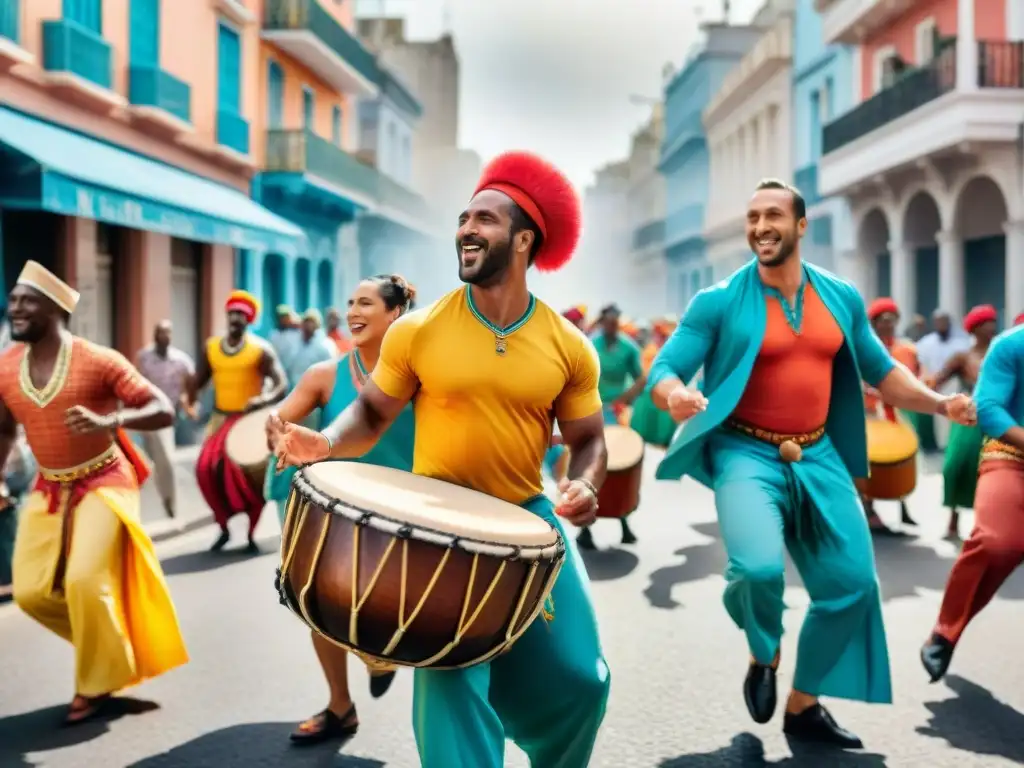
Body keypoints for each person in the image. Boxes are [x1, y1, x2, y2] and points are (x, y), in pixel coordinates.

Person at [270, 151, 611, 768]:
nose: (466, 229)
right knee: (451, 684)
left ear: (525, 239)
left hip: (531, 521)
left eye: (485, 218)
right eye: (463, 217)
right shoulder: (417, 331)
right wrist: (324, 444)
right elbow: (371, 414)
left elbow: (588, 439)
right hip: (437, 530)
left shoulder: (569, 345)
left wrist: (585, 484)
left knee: (584, 681)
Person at [647, 179, 975, 748]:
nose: (759, 227)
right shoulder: (719, 300)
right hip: (745, 451)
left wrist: (939, 402)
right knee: (756, 570)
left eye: (772, 215)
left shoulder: (841, 297)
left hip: (818, 452)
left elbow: (881, 370)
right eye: (752, 217)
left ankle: (803, 705)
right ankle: (764, 650)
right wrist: (674, 394)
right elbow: (664, 371)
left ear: (800, 226)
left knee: (852, 586)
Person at [0, 261, 188, 724]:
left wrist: (113, 421)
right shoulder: (4, 366)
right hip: (48, 486)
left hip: (106, 479)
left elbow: (162, 408)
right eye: (14, 300)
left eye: (27, 301)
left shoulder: (100, 360)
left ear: (56, 308)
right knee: (30, 593)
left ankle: (96, 684)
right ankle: (114, 654)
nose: (15, 308)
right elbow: (4, 428)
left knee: (84, 581)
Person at [265, 275, 416, 745]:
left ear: (395, 314)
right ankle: (340, 706)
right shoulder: (325, 375)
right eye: (350, 302)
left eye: (366, 303)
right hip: (333, 510)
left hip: (407, 513)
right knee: (319, 604)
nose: (353, 311)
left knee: (394, 612)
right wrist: (278, 434)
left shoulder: (423, 376)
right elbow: (281, 419)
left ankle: (380, 657)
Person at [921, 322, 1024, 683]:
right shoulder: (1011, 345)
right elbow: (990, 408)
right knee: (999, 543)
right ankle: (945, 631)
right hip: (1011, 455)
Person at [186, 290, 286, 553]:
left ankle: (251, 531)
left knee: (247, 478)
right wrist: (189, 400)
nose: (235, 318)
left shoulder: (261, 350)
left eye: (241, 314)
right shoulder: (211, 348)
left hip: (248, 422)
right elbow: (198, 380)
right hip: (220, 420)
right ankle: (224, 527)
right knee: (205, 470)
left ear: (248, 319)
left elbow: (281, 384)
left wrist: (263, 398)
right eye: (232, 313)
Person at [576, 303, 646, 550]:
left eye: (615, 322)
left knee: (620, 468)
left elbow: (641, 378)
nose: (611, 326)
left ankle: (624, 521)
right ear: (602, 322)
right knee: (588, 467)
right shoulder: (590, 344)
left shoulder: (628, 347)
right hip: (592, 412)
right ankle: (585, 528)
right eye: (608, 322)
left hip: (617, 415)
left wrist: (625, 398)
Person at [927, 304, 998, 539]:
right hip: (967, 420)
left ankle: (985, 523)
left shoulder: (1001, 352)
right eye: (986, 323)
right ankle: (953, 520)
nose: (992, 327)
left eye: (993, 323)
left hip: (995, 420)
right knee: (955, 467)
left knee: (989, 471)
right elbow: (937, 381)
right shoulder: (962, 357)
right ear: (975, 328)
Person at [862, 298, 920, 530]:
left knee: (903, 456)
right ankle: (869, 509)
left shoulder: (906, 350)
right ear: (874, 323)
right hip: (869, 412)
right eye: (883, 321)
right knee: (873, 460)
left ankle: (903, 506)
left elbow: (915, 378)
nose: (888, 325)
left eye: (892, 321)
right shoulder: (863, 349)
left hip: (896, 412)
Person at [135, 319, 195, 518]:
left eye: (166, 333)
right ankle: (159, 499)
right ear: (154, 335)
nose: (163, 336)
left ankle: (171, 503)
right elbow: (136, 381)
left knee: (166, 460)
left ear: (171, 336)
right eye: (159, 332)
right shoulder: (144, 357)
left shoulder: (181, 360)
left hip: (166, 416)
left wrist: (188, 404)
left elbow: (191, 383)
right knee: (148, 460)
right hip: (144, 413)